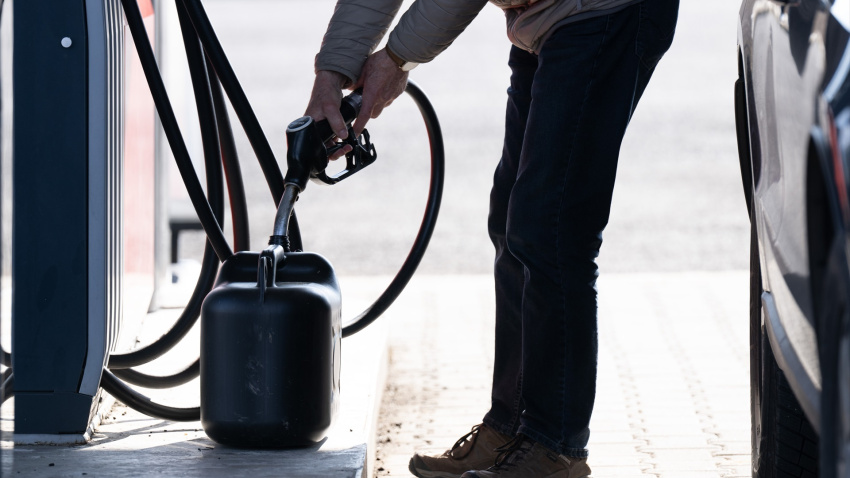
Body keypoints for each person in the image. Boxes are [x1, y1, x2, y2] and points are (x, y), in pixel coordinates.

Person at [306, 0, 679, 476]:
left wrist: (396, 57)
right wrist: (332, 72)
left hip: (603, 13)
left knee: (551, 226)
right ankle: (511, 429)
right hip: (544, 20)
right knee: (512, 223)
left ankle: (554, 447)